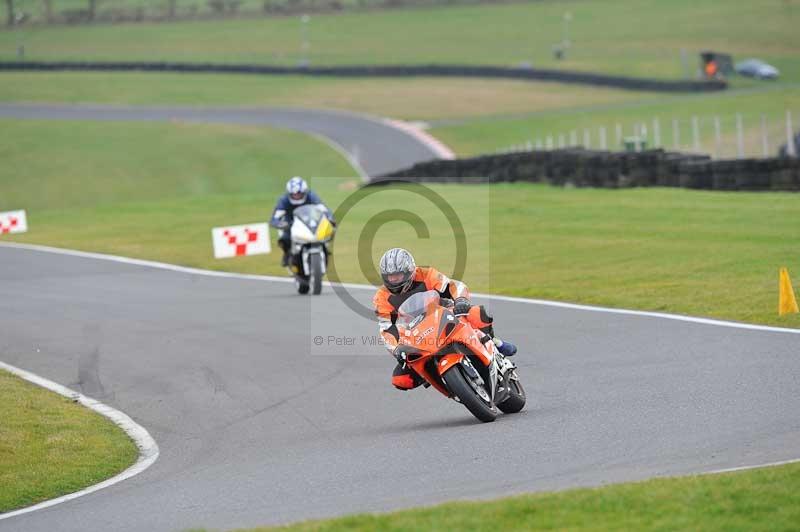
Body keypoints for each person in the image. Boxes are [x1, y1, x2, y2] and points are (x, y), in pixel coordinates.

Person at [373, 247, 518, 391]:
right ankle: (436, 376)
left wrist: (461, 301)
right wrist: (397, 349)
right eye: (389, 277)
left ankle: (496, 343)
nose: (393, 280)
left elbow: (453, 285)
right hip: (416, 334)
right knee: (401, 379)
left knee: (477, 314)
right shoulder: (382, 297)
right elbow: (387, 329)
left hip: (443, 313)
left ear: (409, 270)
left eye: (397, 276)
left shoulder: (426, 273)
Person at [269, 177, 332, 267]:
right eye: (294, 194)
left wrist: (330, 218)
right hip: (291, 224)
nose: (296, 196)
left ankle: (325, 250)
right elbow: (274, 218)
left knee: (327, 232)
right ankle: (287, 254)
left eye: (299, 193)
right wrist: (280, 224)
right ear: (289, 193)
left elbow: (323, 208)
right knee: (285, 239)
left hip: (310, 222)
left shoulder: (311, 196)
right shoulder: (284, 200)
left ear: (304, 192)